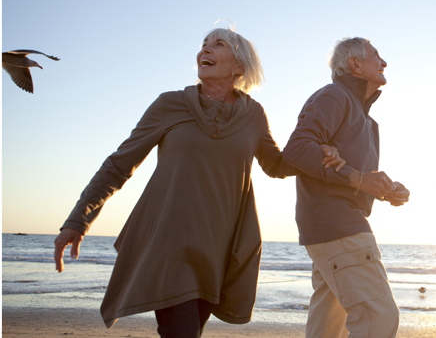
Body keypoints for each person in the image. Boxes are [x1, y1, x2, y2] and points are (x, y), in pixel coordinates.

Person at [53, 27, 347, 337]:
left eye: (217, 45)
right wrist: (78, 220)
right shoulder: (169, 105)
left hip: (220, 249)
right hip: (169, 242)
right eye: (203, 45)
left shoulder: (254, 115)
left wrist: (318, 151)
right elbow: (119, 164)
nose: (204, 51)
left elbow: (276, 165)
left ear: (238, 67)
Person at [283, 37, 411, 338]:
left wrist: (385, 190)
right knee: (378, 317)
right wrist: (360, 179)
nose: (384, 62)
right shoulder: (333, 96)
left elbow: (351, 177)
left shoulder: (369, 122)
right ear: (355, 64)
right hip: (338, 225)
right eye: (376, 56)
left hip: (330, 230)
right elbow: (297, 150)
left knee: (327, 329)